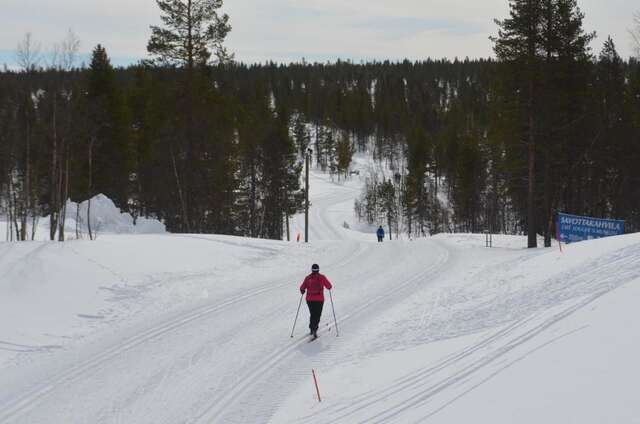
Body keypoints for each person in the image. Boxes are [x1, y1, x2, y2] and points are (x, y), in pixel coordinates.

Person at [299, 263, 332, 338]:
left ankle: (311, 328)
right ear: (318, 270)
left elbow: (302, 288)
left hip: (309, 300)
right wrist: (329, 288)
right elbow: (329, 286)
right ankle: (314, 328)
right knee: (317, 315)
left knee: (313, 314)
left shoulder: (307, 278)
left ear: (312, 270)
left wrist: (302, 291)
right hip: (319, 300)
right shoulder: (322, 277)